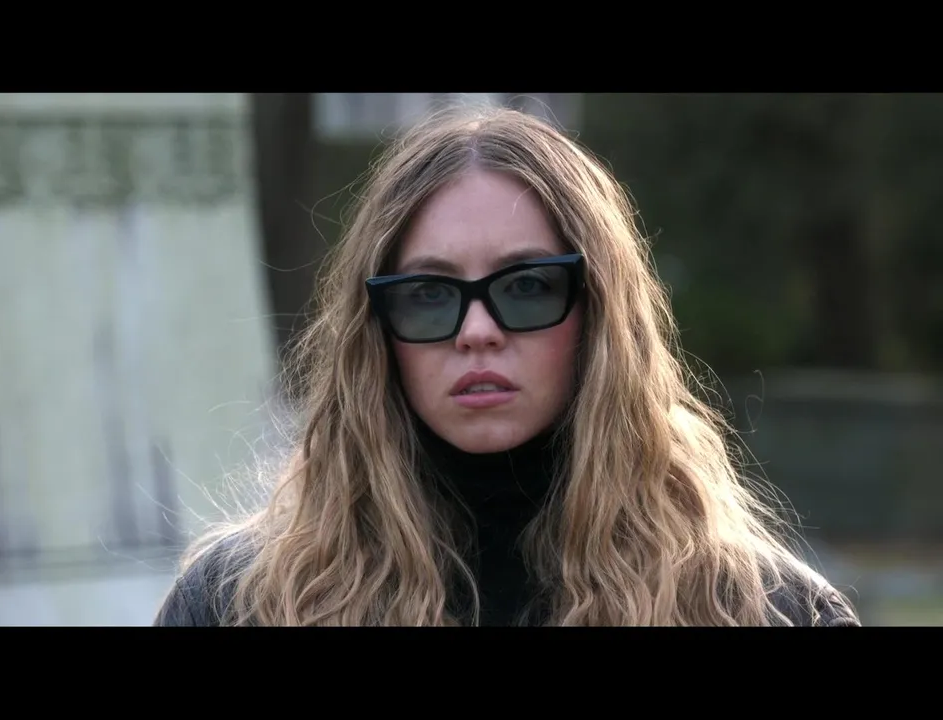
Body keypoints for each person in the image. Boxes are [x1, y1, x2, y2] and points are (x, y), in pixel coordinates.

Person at [153, 104, 860, 626]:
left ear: (599, 314)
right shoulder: (240, 604)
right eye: (430, 294)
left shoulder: (762, 609)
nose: (477, 331)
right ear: (377, 331)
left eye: (526, 287)